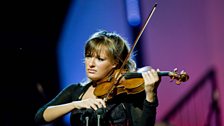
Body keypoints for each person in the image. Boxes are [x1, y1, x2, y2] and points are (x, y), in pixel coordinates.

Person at [35, 30, 161, 126]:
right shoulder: (75, 91)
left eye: (100, 59)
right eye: (88, 56)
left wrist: (150, 95)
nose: (90, 64)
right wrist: (75, 104)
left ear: (115, 62)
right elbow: (40, 117)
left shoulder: (125, 91)